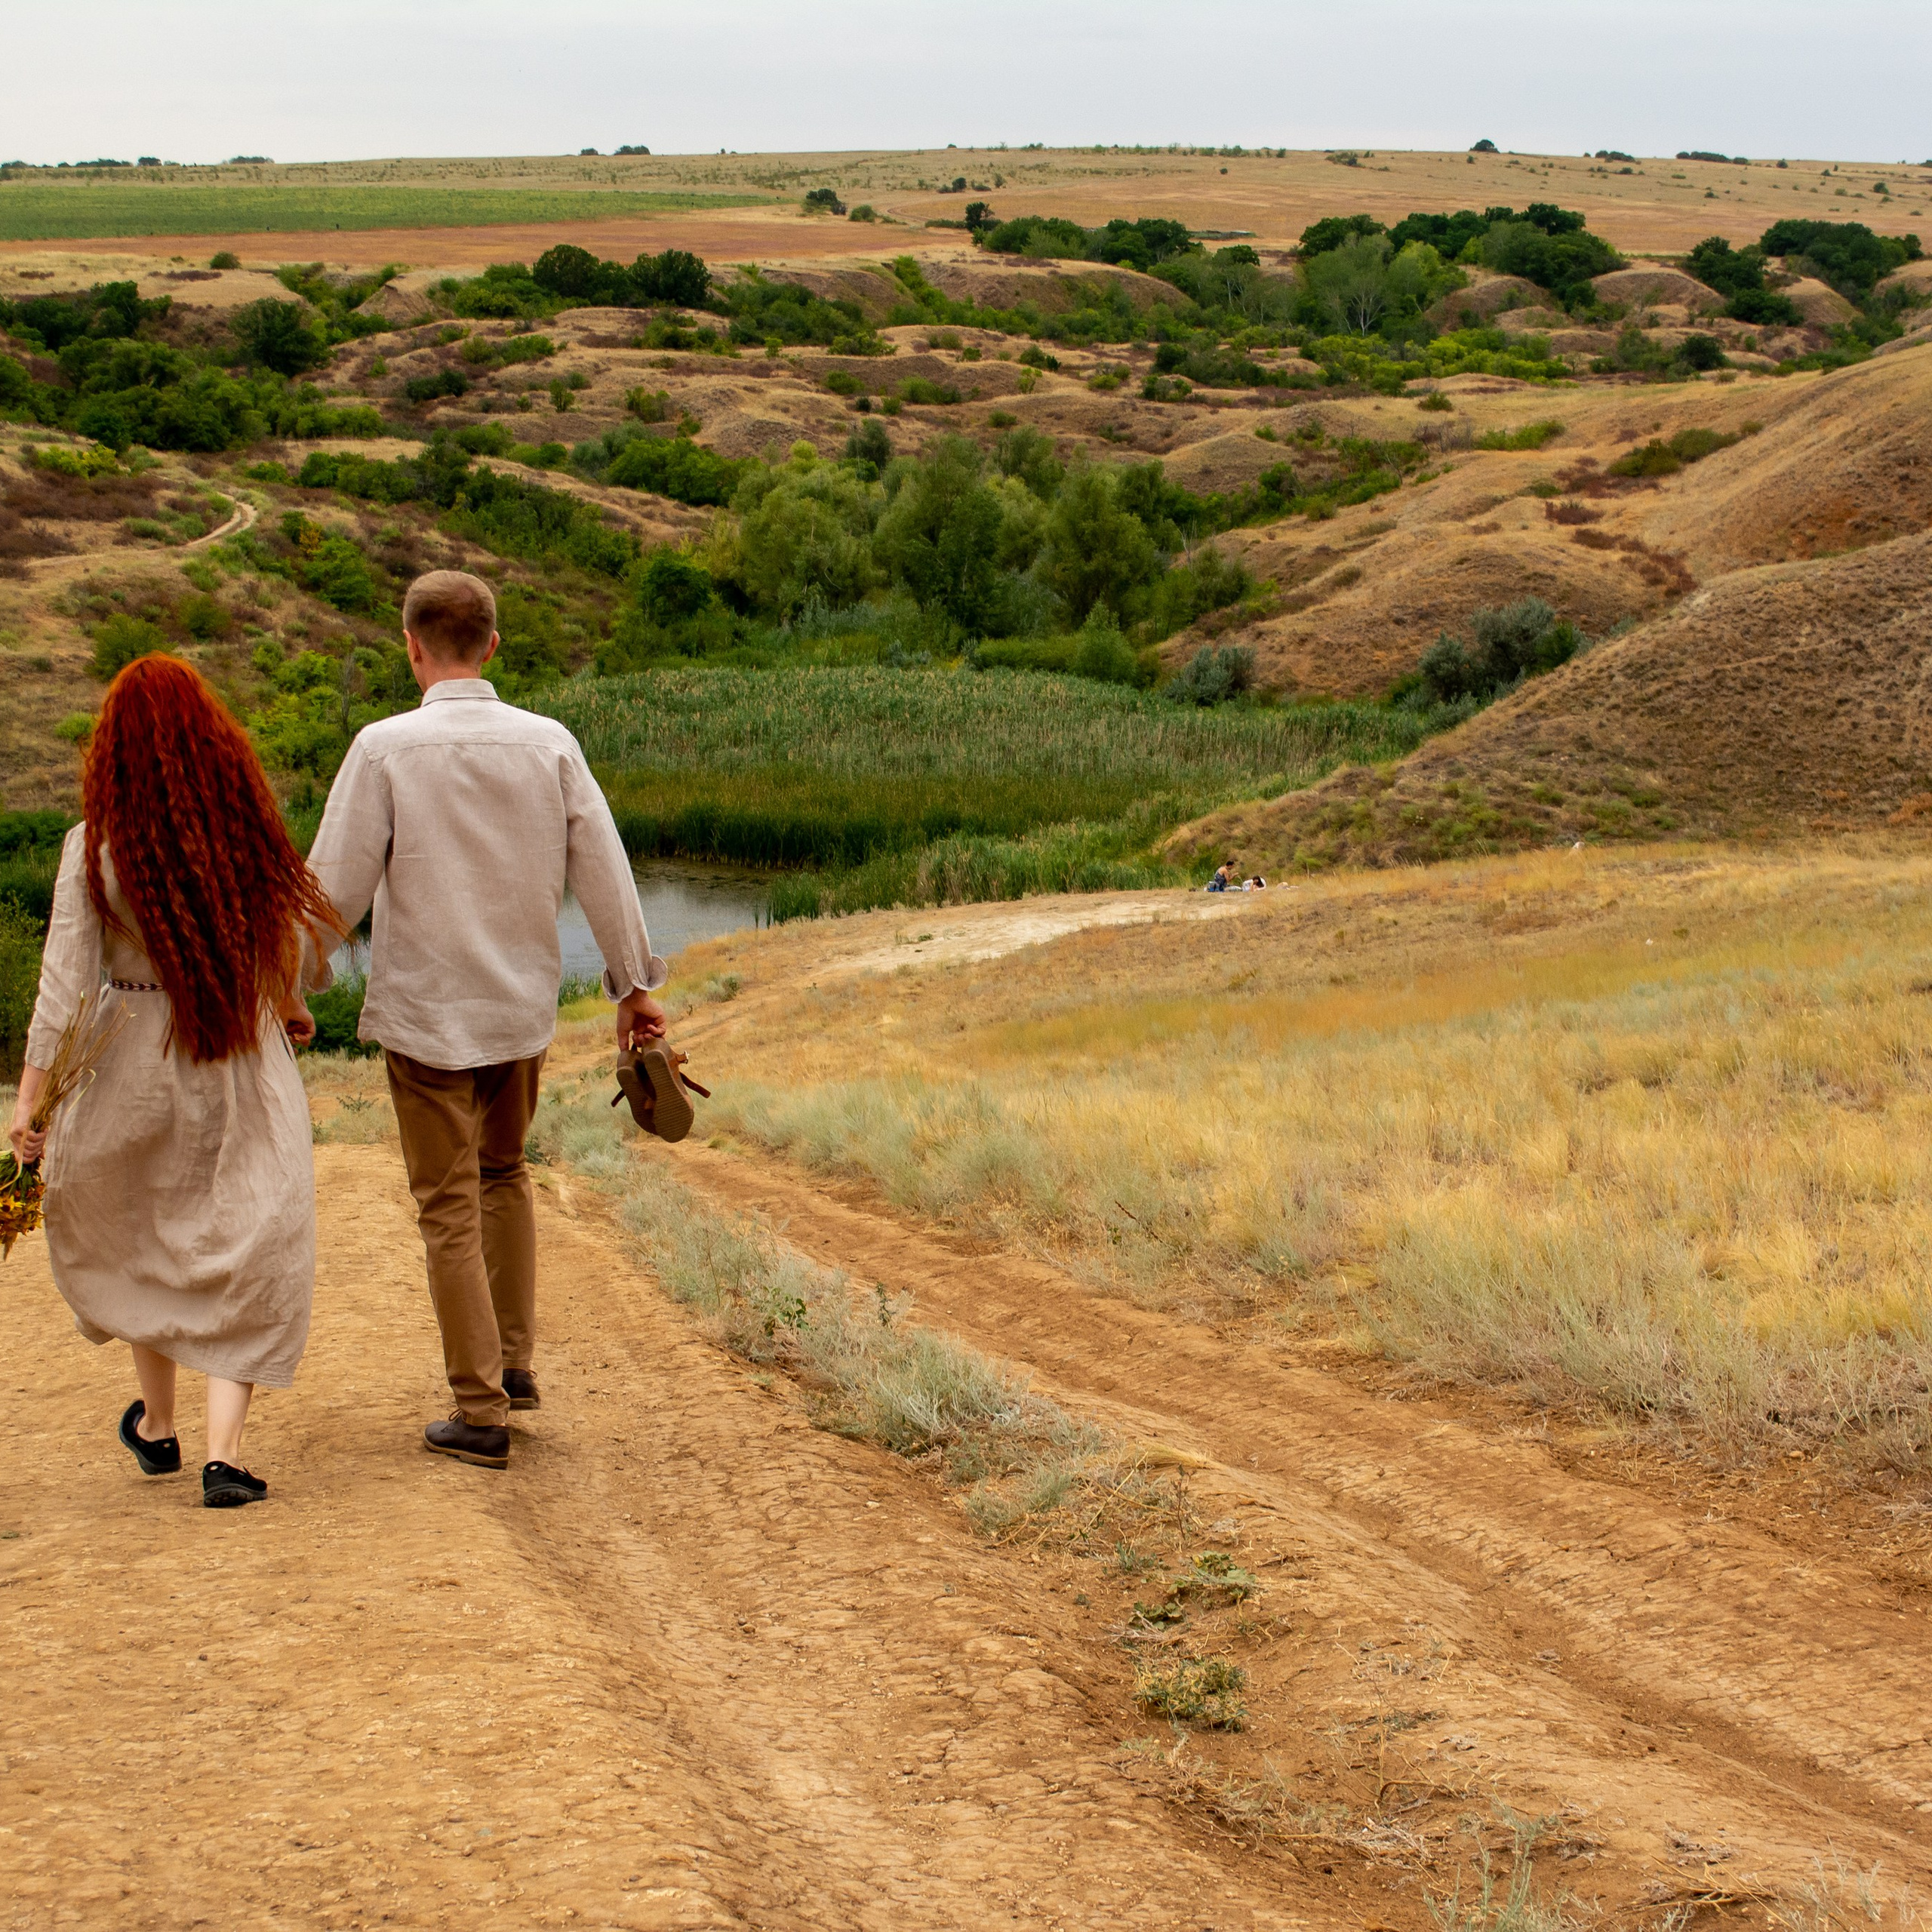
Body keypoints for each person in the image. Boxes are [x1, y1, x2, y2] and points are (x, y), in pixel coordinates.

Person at [306, 570, 666, 1472]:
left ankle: (480, 1409)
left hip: (427, 1012)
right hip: (519, 1010)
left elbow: (333, 890)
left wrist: (291, 985)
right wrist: (633, 985)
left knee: (446, 1205)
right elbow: (605, 869)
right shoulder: (549, 744)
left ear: (412, 648)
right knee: (504, 1174)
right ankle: (513, 1363)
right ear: (493, 646)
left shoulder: (383, 747)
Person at [8, 656, 339, 1508]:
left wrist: (30, 1102)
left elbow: (61, 986)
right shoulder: (240, 829)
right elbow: (284, 945)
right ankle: (224, 1454)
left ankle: (158, 1424)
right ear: (210, 738)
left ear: (112, 748)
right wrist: (291, 1004)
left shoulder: (94, 845)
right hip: (231, 1050)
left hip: (128, 1062)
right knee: (250, 1234)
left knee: (141, 1234)